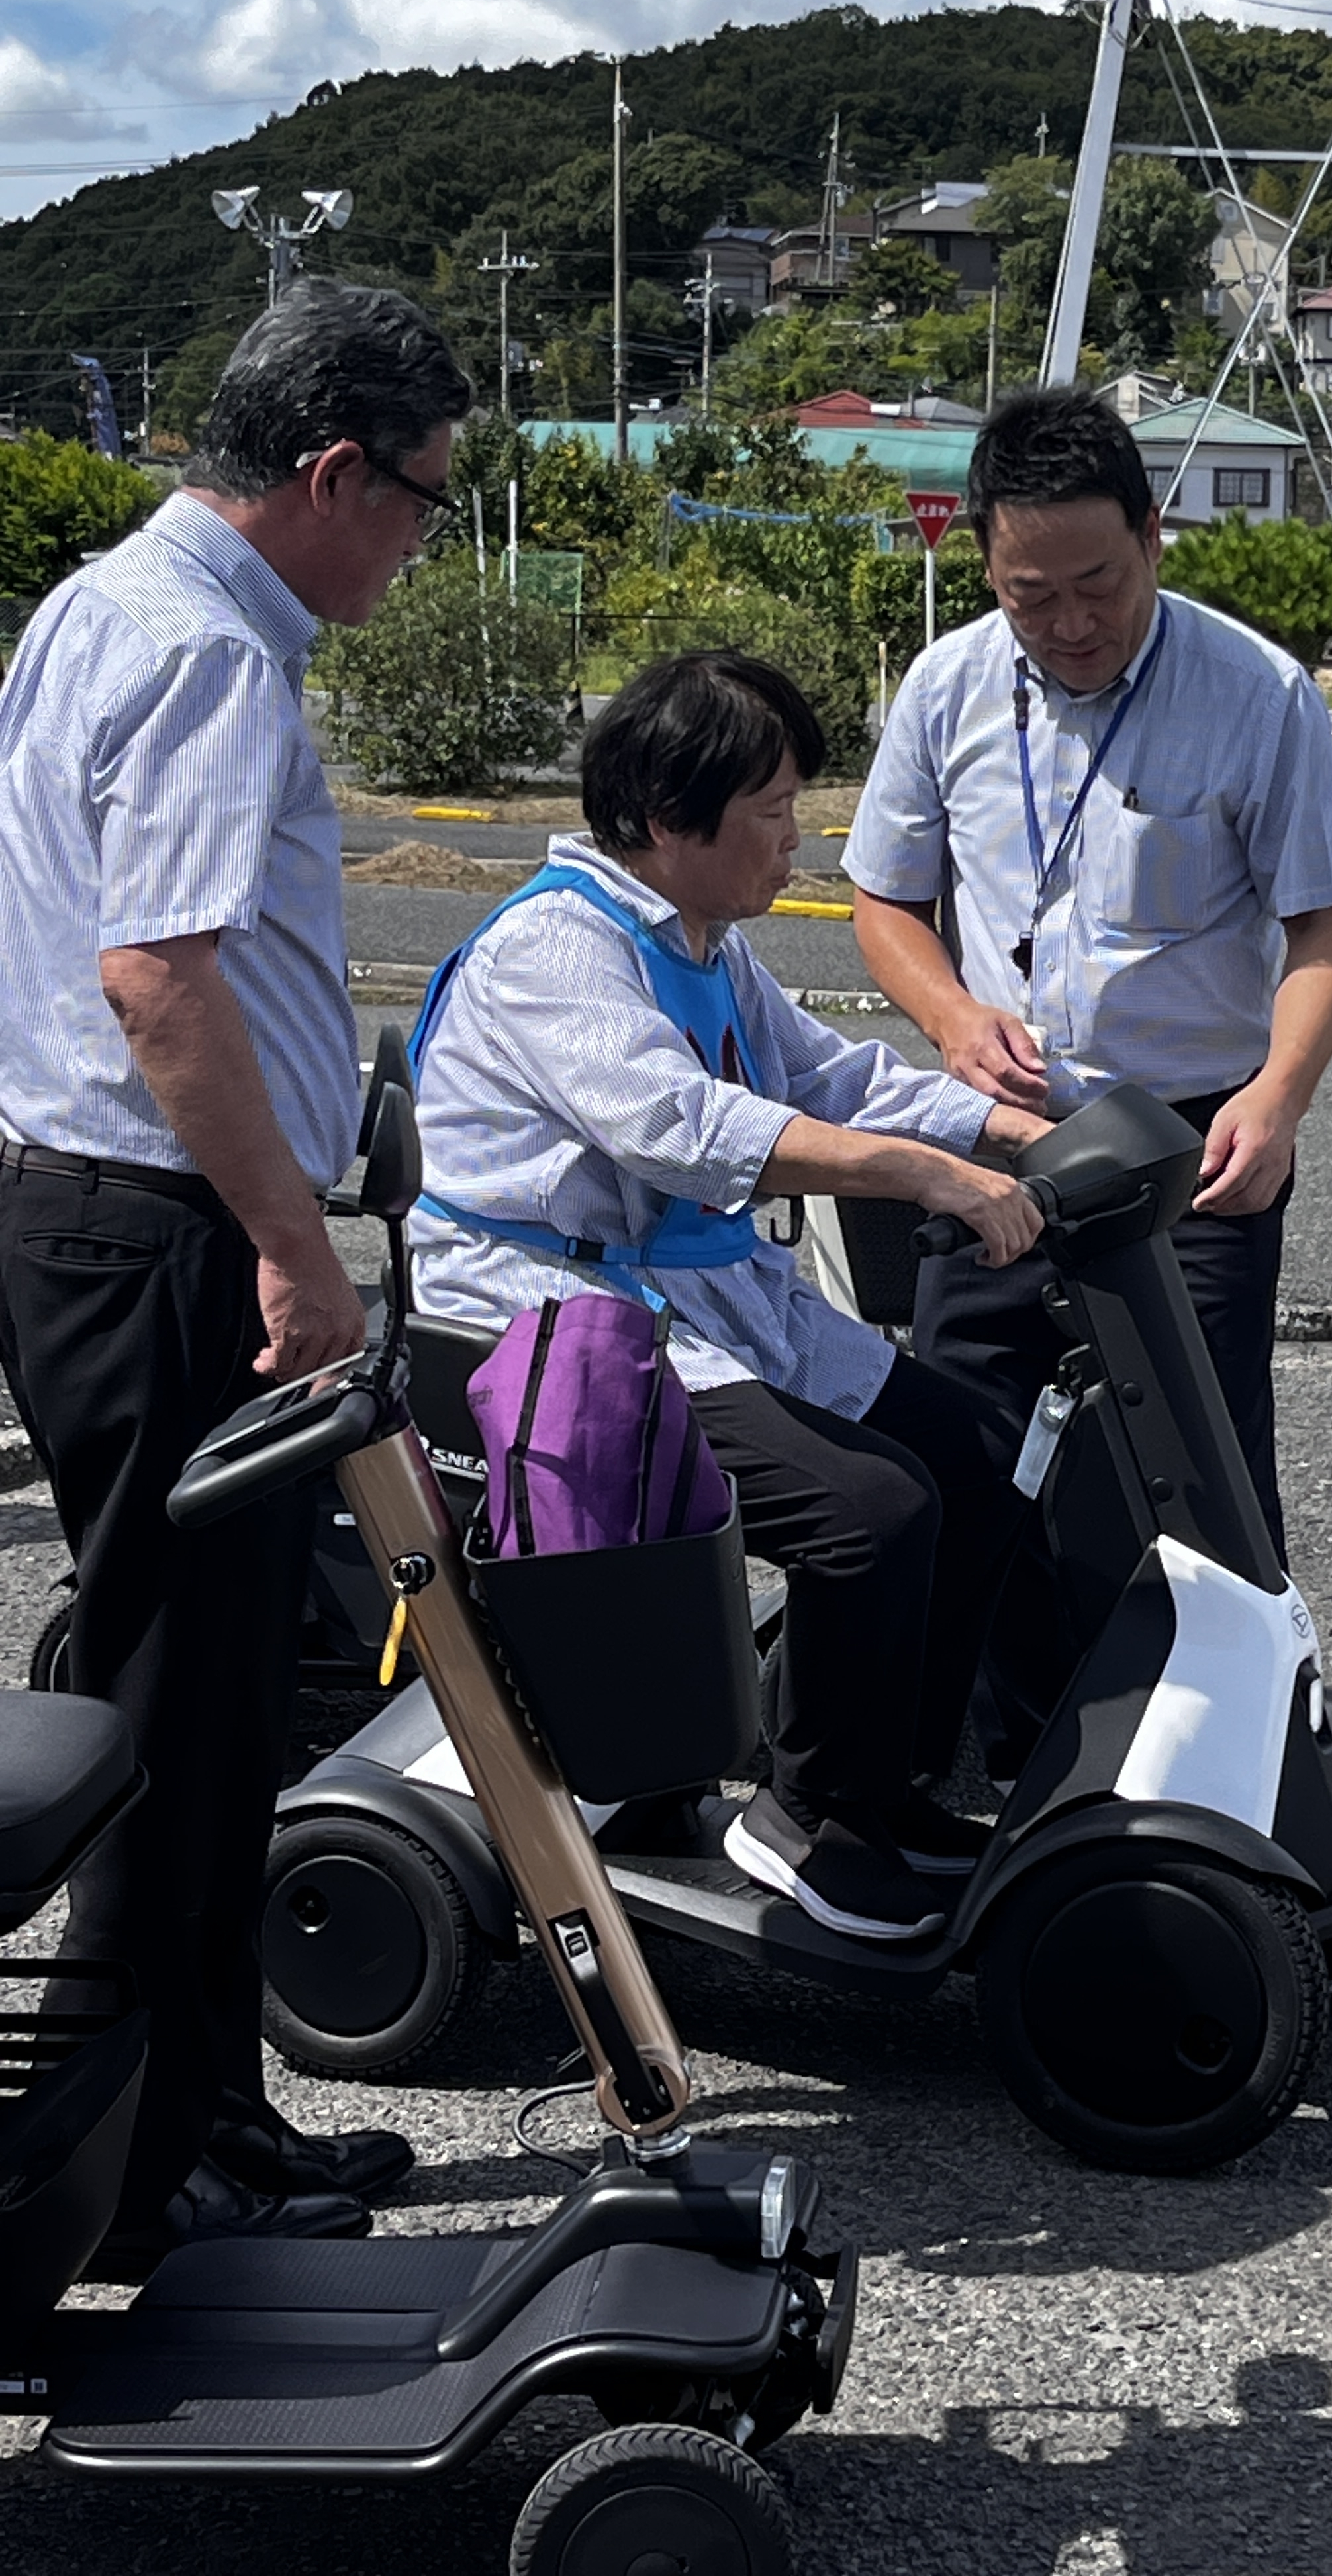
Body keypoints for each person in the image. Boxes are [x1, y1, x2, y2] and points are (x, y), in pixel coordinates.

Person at [0, 278, 473, 2271]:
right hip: (178, 1230)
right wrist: (296, 1249)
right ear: (337, 471)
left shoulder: (96, 606)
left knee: (173, 1682)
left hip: (90, 1206)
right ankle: (146, 2150)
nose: (427, 537)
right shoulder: (209, 656)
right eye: (426, 499)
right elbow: (158, 975)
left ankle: (194, 2108)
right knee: (189, 1705)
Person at [410, 649, 1047, 1944]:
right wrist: (930, 1174)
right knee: (867, 1512)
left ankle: (882, 1792)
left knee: (978, 1454)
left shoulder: (702, 942)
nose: (795, 841)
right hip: (539, 1326)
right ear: (665, 821)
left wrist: (1018, 1127)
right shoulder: (557, 947)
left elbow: (835, 1081)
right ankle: (806, 1819)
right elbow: (681, 1129)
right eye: (772, 812)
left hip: (676, 1302)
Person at [843, 384, 1332, 1771]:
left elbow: (1326, 926)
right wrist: (952, 1014)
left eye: (1099, 585)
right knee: (966, 1446)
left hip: (1195, 1147)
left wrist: (1279, 1096)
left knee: (1200, 1482)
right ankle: (989, 1758)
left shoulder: (1257, 694)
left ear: (1154, 535)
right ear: (987, 570)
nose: (1071, 624)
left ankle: (1230, 1764)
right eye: (1033, 596)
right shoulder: (946, 685)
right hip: (1000, 1134)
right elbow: (883, 903)